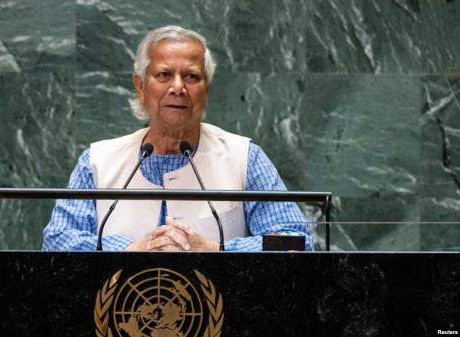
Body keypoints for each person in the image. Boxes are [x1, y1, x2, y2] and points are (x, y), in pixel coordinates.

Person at [42, 25, 312, 252]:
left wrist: (216, 250)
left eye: (192, 76)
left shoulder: (245, 158)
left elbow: (295, 242)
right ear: (140, 86)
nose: (178, 87)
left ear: (206, 89)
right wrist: (129, 249)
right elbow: (56, 241)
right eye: (164, 75)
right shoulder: (98, 161)